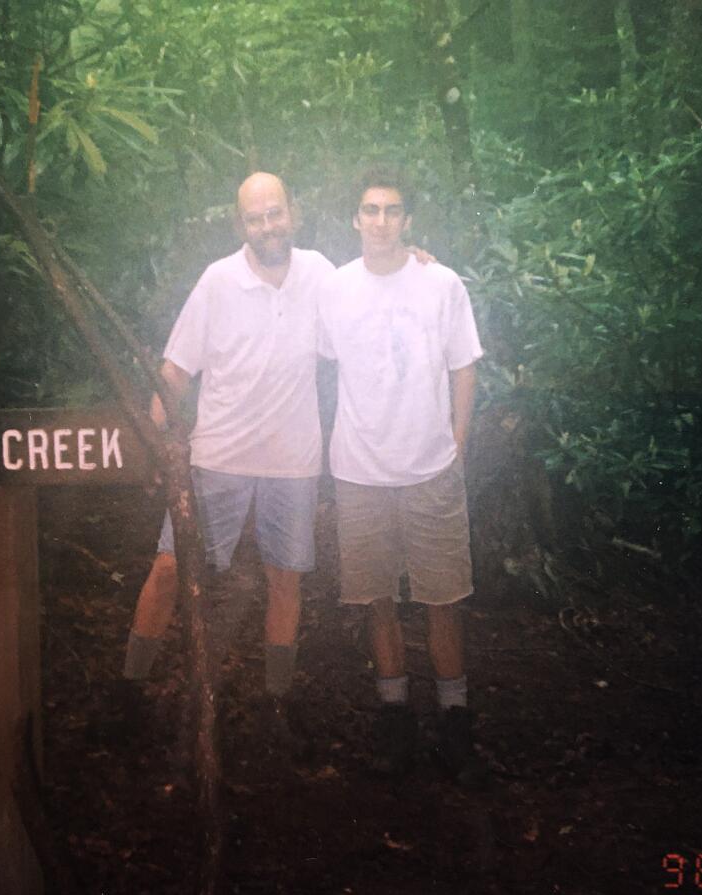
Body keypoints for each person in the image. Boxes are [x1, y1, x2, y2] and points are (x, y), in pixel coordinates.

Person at [121, 172, 331, 706]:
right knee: (170, 566)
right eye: (256, 217)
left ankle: (274, 706)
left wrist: (412, 257)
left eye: (275, 213)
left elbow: (372, 305)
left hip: (293, 462)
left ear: (293, 214)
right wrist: (154, 447)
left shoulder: (322, 276)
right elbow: (174, 372)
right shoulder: (217, 281)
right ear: (241, 224)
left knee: (286, 581)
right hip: (219, 456)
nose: (268, 226)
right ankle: (128, 690)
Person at [318, 167, 485, 783]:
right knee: (376, 598)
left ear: (407, 219)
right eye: (370, 210)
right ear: (355, 219)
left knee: (443, 599)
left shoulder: (441, 284)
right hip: (359, 470)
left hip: (430, 467)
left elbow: (464, 365)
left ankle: (455, 716)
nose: (381, 221)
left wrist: (458, 439)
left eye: (392, 211)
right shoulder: (334, 288)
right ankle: (394, 715)